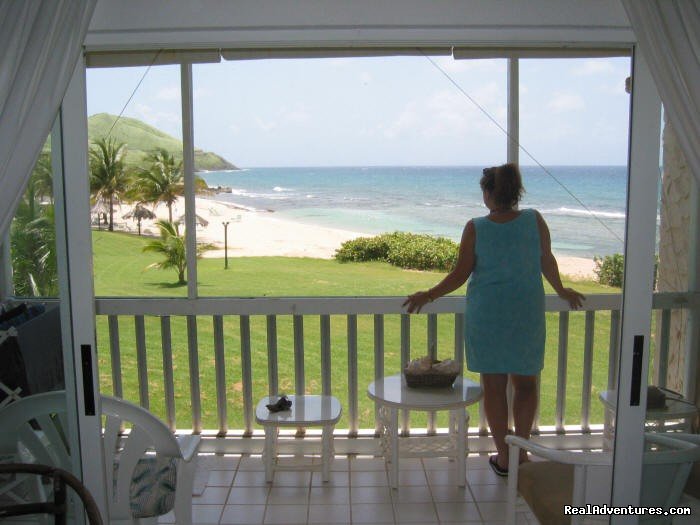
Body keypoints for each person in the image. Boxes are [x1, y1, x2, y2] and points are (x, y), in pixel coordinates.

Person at [403, 163, 584, 476]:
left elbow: (461, 273)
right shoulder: (534, 220)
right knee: (526, 384)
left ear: (488, 193)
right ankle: (521, 454)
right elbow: (547, 260)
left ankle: (504, 457)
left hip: (488, 315)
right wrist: (561, 289)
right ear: (515, 193)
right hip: (525, 313)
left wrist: (428, 295)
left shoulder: (476, 227)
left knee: (495, 387)